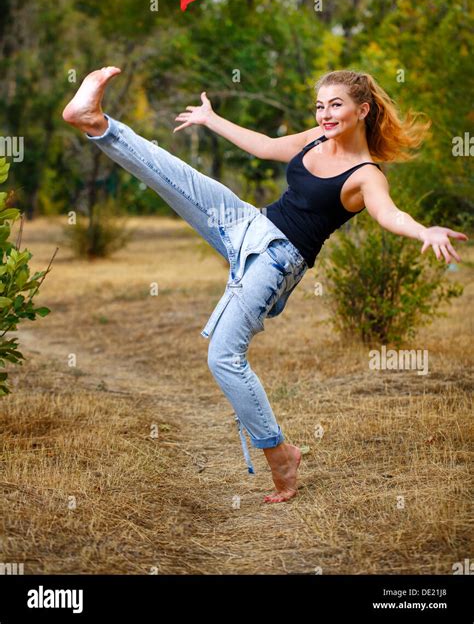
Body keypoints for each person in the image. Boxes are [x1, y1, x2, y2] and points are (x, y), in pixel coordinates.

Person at [62, 66, 468, 503]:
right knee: (174, 176)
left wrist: (423, 230)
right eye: (320, 105)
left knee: (223, 357)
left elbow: (390, 214)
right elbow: (267, 146)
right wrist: (211, 119)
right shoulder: (316, 138)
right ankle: (96, 124)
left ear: (362, 110)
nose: (325, 114)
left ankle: (279, 453)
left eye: (336, 105)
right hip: (249, 222)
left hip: (278, 259)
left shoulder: (368, 175)